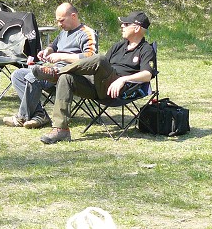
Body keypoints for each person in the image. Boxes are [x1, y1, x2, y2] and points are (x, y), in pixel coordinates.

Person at [33, 10, 157, 144]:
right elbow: (102, 68)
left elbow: (147, 75)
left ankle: (57, 73)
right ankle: (61, 129)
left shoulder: (146, 49)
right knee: (66, 78)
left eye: (126, 24)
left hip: (120, 90)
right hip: (99, 86)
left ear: (137, 28)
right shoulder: (119, 46)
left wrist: (123, 79)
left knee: (99, 59)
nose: (122, 26)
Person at [2, 2, 98, 129]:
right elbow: (54, 46)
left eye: (61, 20)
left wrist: (61, 56)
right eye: (58, 21)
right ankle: (39, 114)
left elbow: (92, 57)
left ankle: (22, 117)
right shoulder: (64, 32)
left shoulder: (86, 33)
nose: (59, 24)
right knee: (17, 75)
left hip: (71, 76)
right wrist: (47, 51)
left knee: (35, 76)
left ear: (73, 16)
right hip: (54, 72)